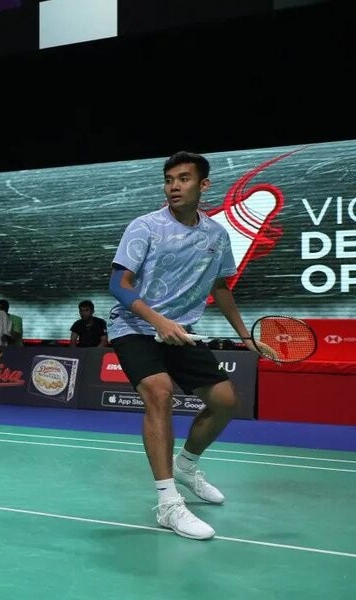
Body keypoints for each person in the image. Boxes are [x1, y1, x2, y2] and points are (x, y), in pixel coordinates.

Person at [106, 151, 258, 541]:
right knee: (159, 393)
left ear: (203, 185)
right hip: (134, 327)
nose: (174, 186)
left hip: (181, 331)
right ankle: (168, 503)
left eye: (184, 178)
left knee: (225, 401)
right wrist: (158, 321)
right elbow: (118, 284)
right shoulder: (145, 226)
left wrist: (245, 336)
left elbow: (220, 287)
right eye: (169, 179)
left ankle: (186, 465)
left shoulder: (216, 235)